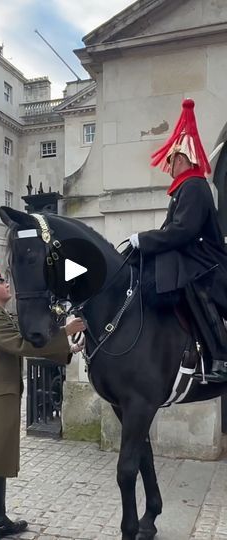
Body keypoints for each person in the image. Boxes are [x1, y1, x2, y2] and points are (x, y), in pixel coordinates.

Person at [0, 260, 85, 540]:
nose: (6, 284)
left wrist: (68, 347)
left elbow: (25, 345)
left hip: (2, 401)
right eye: (1, 281)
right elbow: (22, 346)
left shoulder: (1, 315)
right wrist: (65, 331)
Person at [129, 98, 227, 382]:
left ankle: (221, 356)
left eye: (171, 161)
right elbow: (169, 229)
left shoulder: (195, 187)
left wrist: (144, 239)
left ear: (181, 160)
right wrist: (139, 248)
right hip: (193, 255)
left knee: (194, 286)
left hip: (206, 261)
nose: (168, 167)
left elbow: (183, 231)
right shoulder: (185, 188)